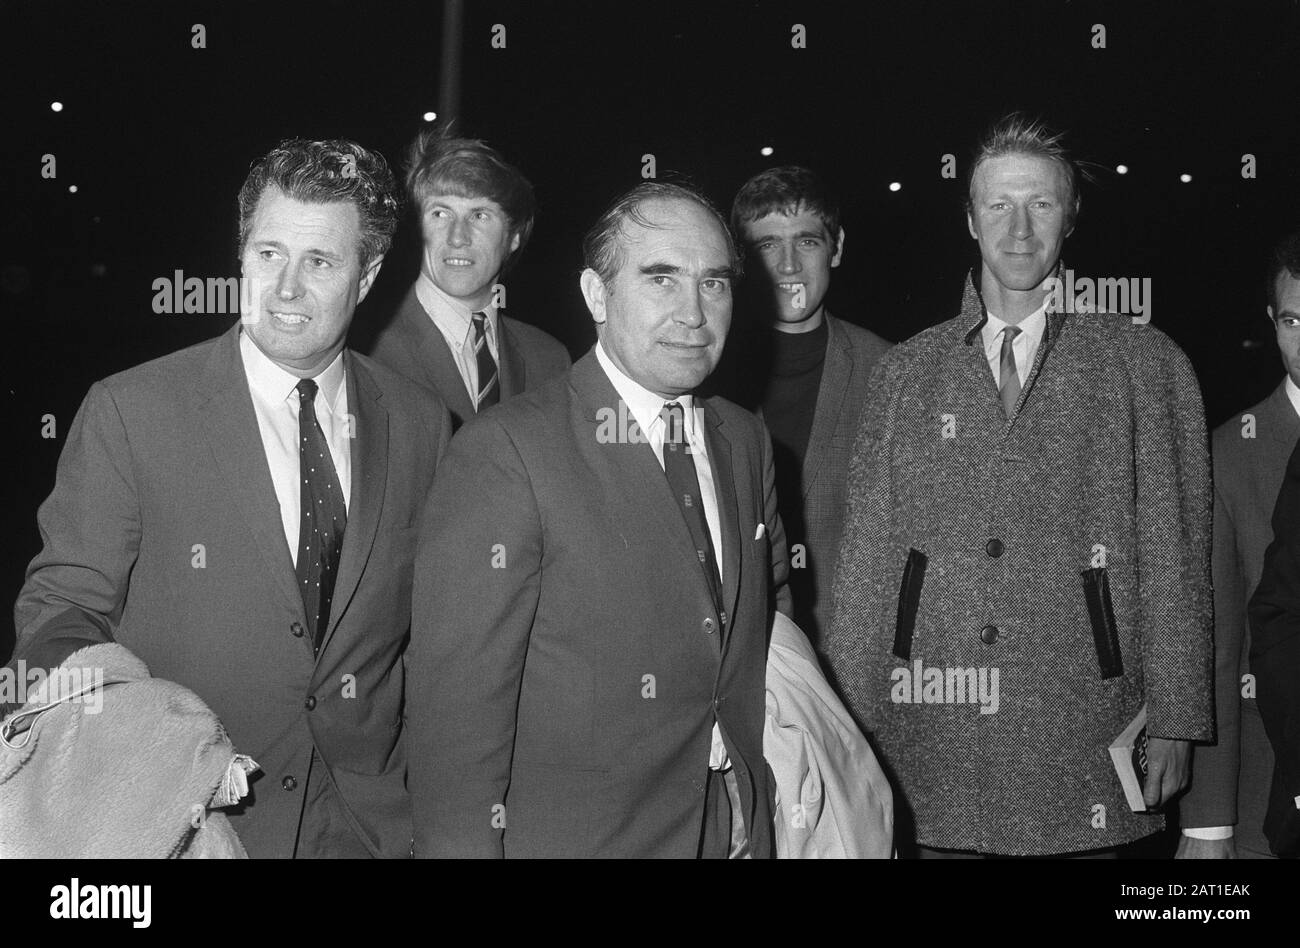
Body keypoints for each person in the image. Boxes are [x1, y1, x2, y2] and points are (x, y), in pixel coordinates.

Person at [8, 139, 452, 858]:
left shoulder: (422, 422)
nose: (286, 288)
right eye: (268, 253)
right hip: (185, 828)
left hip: (371, 830)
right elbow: (61, 611)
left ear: (367, 276)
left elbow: (428, 636)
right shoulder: (133, 410)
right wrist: (141, 738)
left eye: (320, 262)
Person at [825, 114, 1213, 857]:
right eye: (998, 205)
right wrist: (847, 722)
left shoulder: (1145, 365)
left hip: (1084, 736)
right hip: (930, 740)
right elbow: (869, 565)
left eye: (1041, 204)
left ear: (1070, 218)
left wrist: (1175, 719)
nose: (1020, 228)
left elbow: (1176, 557)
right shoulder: (907, 372)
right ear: (970, 219)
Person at [407, 181, 791, 858]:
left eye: (715, 284)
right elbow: (457, 723)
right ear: (595, 294)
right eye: (662, 279)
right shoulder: (507, 453)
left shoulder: (744, 440)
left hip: (734, 830)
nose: (694, 313)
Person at [726, 166, 891, 649]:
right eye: (766, 245)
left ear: (836, 247)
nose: (788, 266)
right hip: (733, 661)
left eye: (807, 242)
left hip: (853, 663)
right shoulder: (701, 374)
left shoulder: (891, 371)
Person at [1180, 232, 1300, 859]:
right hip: (1268, 791)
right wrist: (1208, 824)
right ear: (1272, 323)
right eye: (1292, 320)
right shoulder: (1229, 455)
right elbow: (1216, 652)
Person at [364, 128, 569, 428]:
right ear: (413, 228)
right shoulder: (366, 347)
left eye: (480, 215)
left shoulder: (549, 360)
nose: (458, 237)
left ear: (513, 236)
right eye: (440, 214)